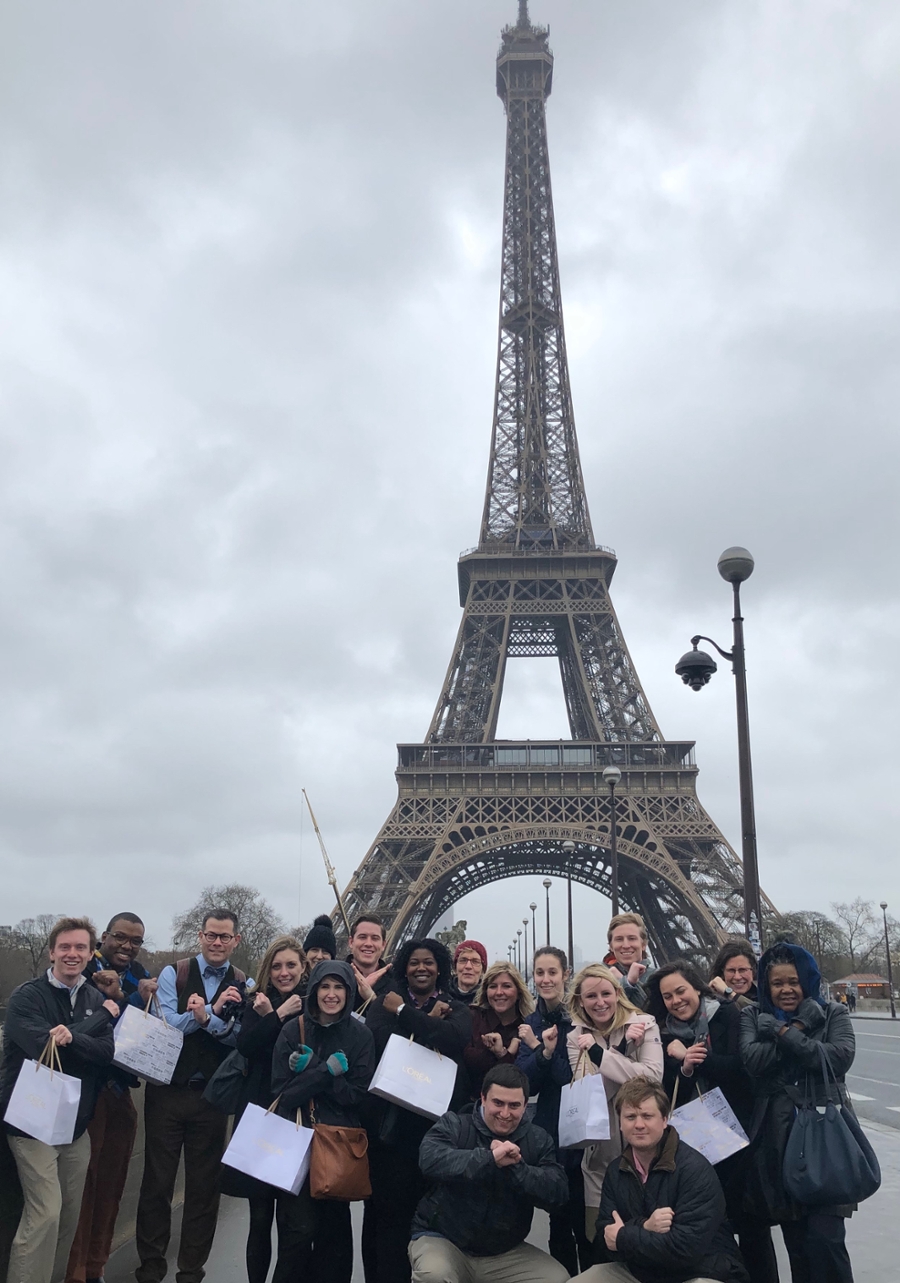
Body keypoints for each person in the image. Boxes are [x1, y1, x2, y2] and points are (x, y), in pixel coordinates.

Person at [0, 916, 118, 1283]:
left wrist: (75, 1036)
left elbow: (105, 1054)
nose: (72, 954)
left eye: (80, 947)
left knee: (68, 1217)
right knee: (44, 1215)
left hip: (74, 1125)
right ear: (52, 952)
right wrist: (98, 1020)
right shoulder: (26, 997)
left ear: (89, 953)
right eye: (65, 947)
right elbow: (42, 1047)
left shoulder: (92, 996)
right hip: (30, 1124)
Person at [644, 961, 775, 1283]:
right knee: (713, 1229)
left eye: (680, 991)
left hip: (739, 1138)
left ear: (697, 988)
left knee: (752, 1228)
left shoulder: (728, 1015)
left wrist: (692, 1056)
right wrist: (683, 1065)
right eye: (667, 996)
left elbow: (744, 1071)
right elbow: (668, 1091)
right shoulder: (661, 1035)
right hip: (694, 1144)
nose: (675, 1000)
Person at [135, 907, 246, 1283]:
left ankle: (191, 1270)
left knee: (204, 1187)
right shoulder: (175, 973)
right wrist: (212, 1013)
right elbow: (167, 1024)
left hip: (213, 1097)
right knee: (157, 1183)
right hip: (167, 1091)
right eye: (211, 935)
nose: (217, 942)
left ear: (236, 940)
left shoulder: (243, 983)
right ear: (200, 936)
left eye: (224, 936)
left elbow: (240, 1039)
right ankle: (150, 1267)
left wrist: (208, 1019)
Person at [739, 942, 858, 1283]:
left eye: (794, 981)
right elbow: (753, 1061)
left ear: (807, 979)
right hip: (778, 1142)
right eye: (777, 983)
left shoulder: (834, 1012)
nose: (786, 989)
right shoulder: (752, 1015)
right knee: (798, 1247)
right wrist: (800, 1030)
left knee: (827, 1240)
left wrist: (779, 1033)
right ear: (766, 986)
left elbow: (836, 1059)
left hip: (824, 1139)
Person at [363, 937, 472, 1283]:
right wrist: (428, 1022)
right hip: (392, 1135)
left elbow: (455, 1038)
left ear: (440, 967)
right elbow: (383, 1042)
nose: (421, 968)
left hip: (437, 1135)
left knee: (435, 1225)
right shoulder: (381, 1005)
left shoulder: (452, 1007)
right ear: (403, 968)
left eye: (428, 962)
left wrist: (404, 1012)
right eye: (414, 962)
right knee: (388, 1222)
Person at [572, 1078, 750, 1283]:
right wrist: (646, 1226)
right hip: (641, 1270)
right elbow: (605, 1238)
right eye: (630, 1116)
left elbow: (684, 1249)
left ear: (665, 1119)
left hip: (701, 1271)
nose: (639, 1124)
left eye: (647, 1116)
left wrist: (624, 1236)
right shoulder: (616, 1170)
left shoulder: (695, 1169)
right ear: (620, 1122)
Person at [410, 1063, 570, 1283]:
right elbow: (429, 1160)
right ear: (483, 1098)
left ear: (525, 1106)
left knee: (557, 1278)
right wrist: (489, 1159)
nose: (505, 1113)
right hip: (444, 1240)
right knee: (434, 1275)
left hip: (503, 1253)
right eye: (498, 1103)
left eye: (514, 1105)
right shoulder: (455, 1124)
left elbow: (558, 1192)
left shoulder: (539, 1140)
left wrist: (517, 1168)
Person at [269, 958, 376, 1283]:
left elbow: (358, 1099)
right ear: (313, 990)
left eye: (339, 987)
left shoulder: (361, 1036)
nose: (331, 994)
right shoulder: (292, 1029)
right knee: (297, 1236)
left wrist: (315, 1071)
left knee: (334, 1242)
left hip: (338, 1146)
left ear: (348, 992)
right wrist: (325, 1070)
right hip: (297, 1144)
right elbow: (282, 1096)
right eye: (325, 986)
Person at [66, 912, 157, 1283]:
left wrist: (133, 996)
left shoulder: (140, 975)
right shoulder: (86, 972)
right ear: (104, 936)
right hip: (86, 1092)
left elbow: (136, 1032)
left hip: (119, 1092)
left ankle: (96, 1264)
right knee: (85, 1186)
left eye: (135, 941)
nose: (127, 946)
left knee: (112, 1184)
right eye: (120, 937)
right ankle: (77, 1270)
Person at [225, 935, 306, 1283]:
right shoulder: (257, 1002)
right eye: (277, 966)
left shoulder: (313, 1004)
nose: (284, 972)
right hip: (260, 1114)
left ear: (303, 969)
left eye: (291, 965)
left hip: (297, 1116)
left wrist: (275, 1017)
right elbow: (247, 1047)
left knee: (292, 1223)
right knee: (259, 1218)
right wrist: (275, 1015)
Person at [567, 963, 663, 1241]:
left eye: (606, 994)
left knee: (647, 1238)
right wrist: (622, 1052)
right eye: (591, 997)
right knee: (598, 1238)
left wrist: (601, 1055)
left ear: (618, 992)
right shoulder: (575, 1037)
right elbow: (592, 1095)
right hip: (600, 1156)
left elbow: (653, 1080)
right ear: (580, 1001)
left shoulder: (644, 1024)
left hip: (646, 1151)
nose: (600, 1003)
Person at [517, 946, 590, 1275]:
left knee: (585, 1223)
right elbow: (525, 1084)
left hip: (584, 1130)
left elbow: (570, 1080)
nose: (545, 979)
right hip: (553, 1134)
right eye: (540, 973)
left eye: (552, 972)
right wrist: (541, 1054)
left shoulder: (580, 1022)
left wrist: (538, 1049)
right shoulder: (530, 1022)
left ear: (566, 974)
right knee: (559, 1224)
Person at [464, 961, 534, 1097]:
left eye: (506, 986)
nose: (499, 992)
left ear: (519, 992)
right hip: (468, 1106)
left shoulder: (527, 1028)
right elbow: (467, 1061)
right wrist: (503, 1053)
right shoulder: (473, 1017)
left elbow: (520, 1081)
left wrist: (502, 1054)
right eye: (493, 986)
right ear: (486, 991)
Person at [348, 914, 393, 1012]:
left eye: (375, 938)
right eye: (362, 937)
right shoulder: (334, 976)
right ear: (351, 942)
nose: (368, 943)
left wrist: (372, 998)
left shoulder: (396, 982)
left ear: (383, 945)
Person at [605, 914, 653, 1007]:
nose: (626, 945)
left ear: (643, 944)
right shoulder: (599, 979)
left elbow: (652, 1014)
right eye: (619, 939)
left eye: (632, 938)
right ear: (611, 946)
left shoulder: (659, 979)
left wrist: (627, 982)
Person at [707, 942, 758, 1011]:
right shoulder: (713, 1003)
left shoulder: (765, 997)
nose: (737, 977)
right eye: (731, 970)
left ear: (753, 971)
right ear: (722, 973)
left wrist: (729, 993)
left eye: (742, 970)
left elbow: (758, 1014)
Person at [450, 938, 487, 1005]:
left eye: (475, 961)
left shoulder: (489, 1001)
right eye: (463, 960)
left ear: (482, 970)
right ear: (455, 968)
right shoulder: (440, 998)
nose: (468, 966)